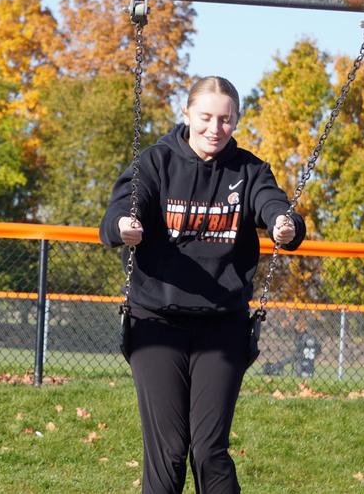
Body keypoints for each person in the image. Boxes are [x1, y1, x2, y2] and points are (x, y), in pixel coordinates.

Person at [100, 75, 305, 494]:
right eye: (206, 117)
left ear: (236, 121)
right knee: (169, 449)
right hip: (155, 322)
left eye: (226, 120)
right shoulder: (156, 163)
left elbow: (274, 205)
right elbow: (119, 212)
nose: (215, 129)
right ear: (187, 114)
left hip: (222, 325)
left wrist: (284, 223)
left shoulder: (248, 170)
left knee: (209, 449)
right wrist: (125, 225)